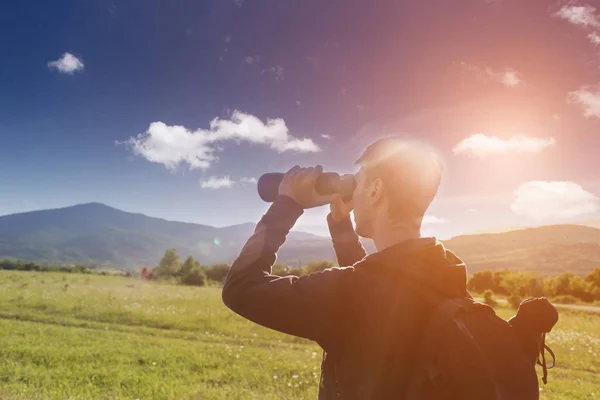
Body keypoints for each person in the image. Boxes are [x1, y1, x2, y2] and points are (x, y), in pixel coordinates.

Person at [221, 137, 543, 399]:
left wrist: (287, 204)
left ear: (375, 191)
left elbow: (240, 288)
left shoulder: (354, 293)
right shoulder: (444, 275)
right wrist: (341, 225)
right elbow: (383, 290)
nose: (352, 191)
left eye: (357, 184)